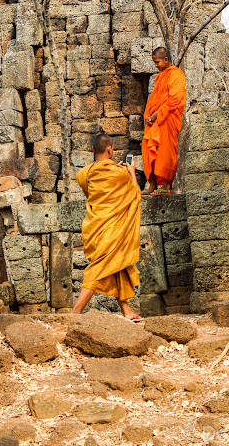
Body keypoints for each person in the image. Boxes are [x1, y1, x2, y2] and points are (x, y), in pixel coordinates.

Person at [72, 133, 142, 320]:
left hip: (94, 226)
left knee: (117, 265)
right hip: (112, 229)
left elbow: (91, 195)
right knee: (100, 268)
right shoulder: (120, 173)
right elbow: (135, 194)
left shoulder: (83, 174)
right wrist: (132, 174)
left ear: (93, 150)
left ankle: (127, 312)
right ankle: (76, 311)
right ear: (110, 150)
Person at [142, 47, 186, 195]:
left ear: (166, 60)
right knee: (148, 148)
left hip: (168, 119)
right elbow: (153, 99)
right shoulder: (160, 76)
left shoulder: (177, 75)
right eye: (154, 62)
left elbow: (175, 99)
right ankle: (152, 184)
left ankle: (167, 186)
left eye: (157, 62)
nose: (155, 65)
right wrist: (148, 116)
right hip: (155, 120)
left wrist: (156, 115)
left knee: (166, 151)